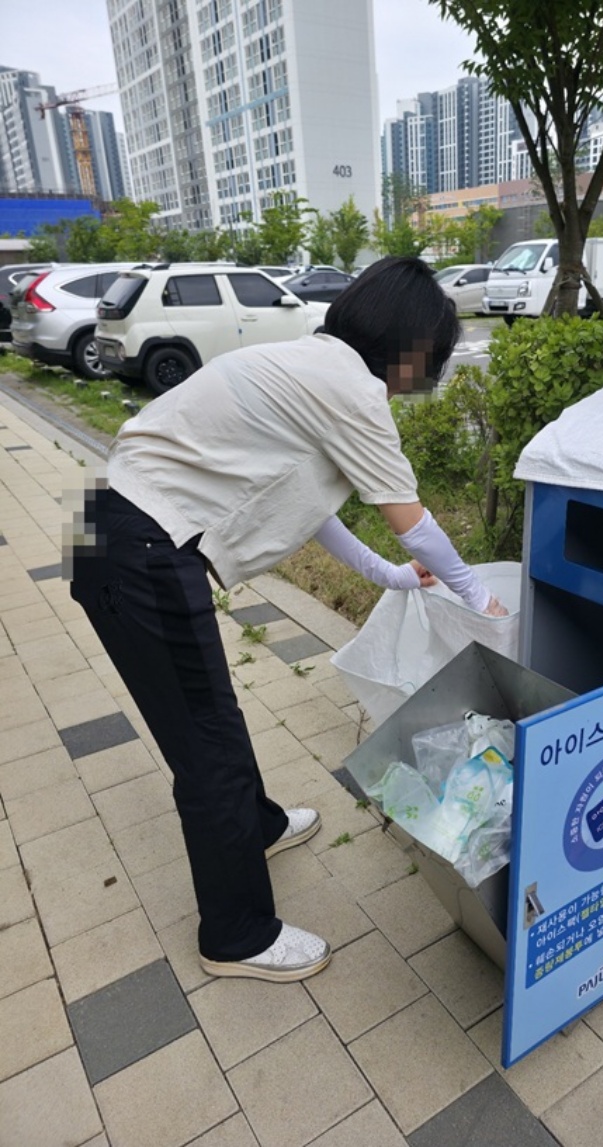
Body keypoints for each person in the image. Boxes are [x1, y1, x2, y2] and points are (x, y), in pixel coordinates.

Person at [69, 256, 506, 985]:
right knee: (205, 735)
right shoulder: (350, 388)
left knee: (210, 712)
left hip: (108, 526)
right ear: (408, 345)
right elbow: (417, 523)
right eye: (427, 357)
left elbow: (313, 508)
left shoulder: (309, 362)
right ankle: (236, 933)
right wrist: (477, 597)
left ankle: (259, 825)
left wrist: (392, 578)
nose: (421, 374)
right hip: (138, 547)